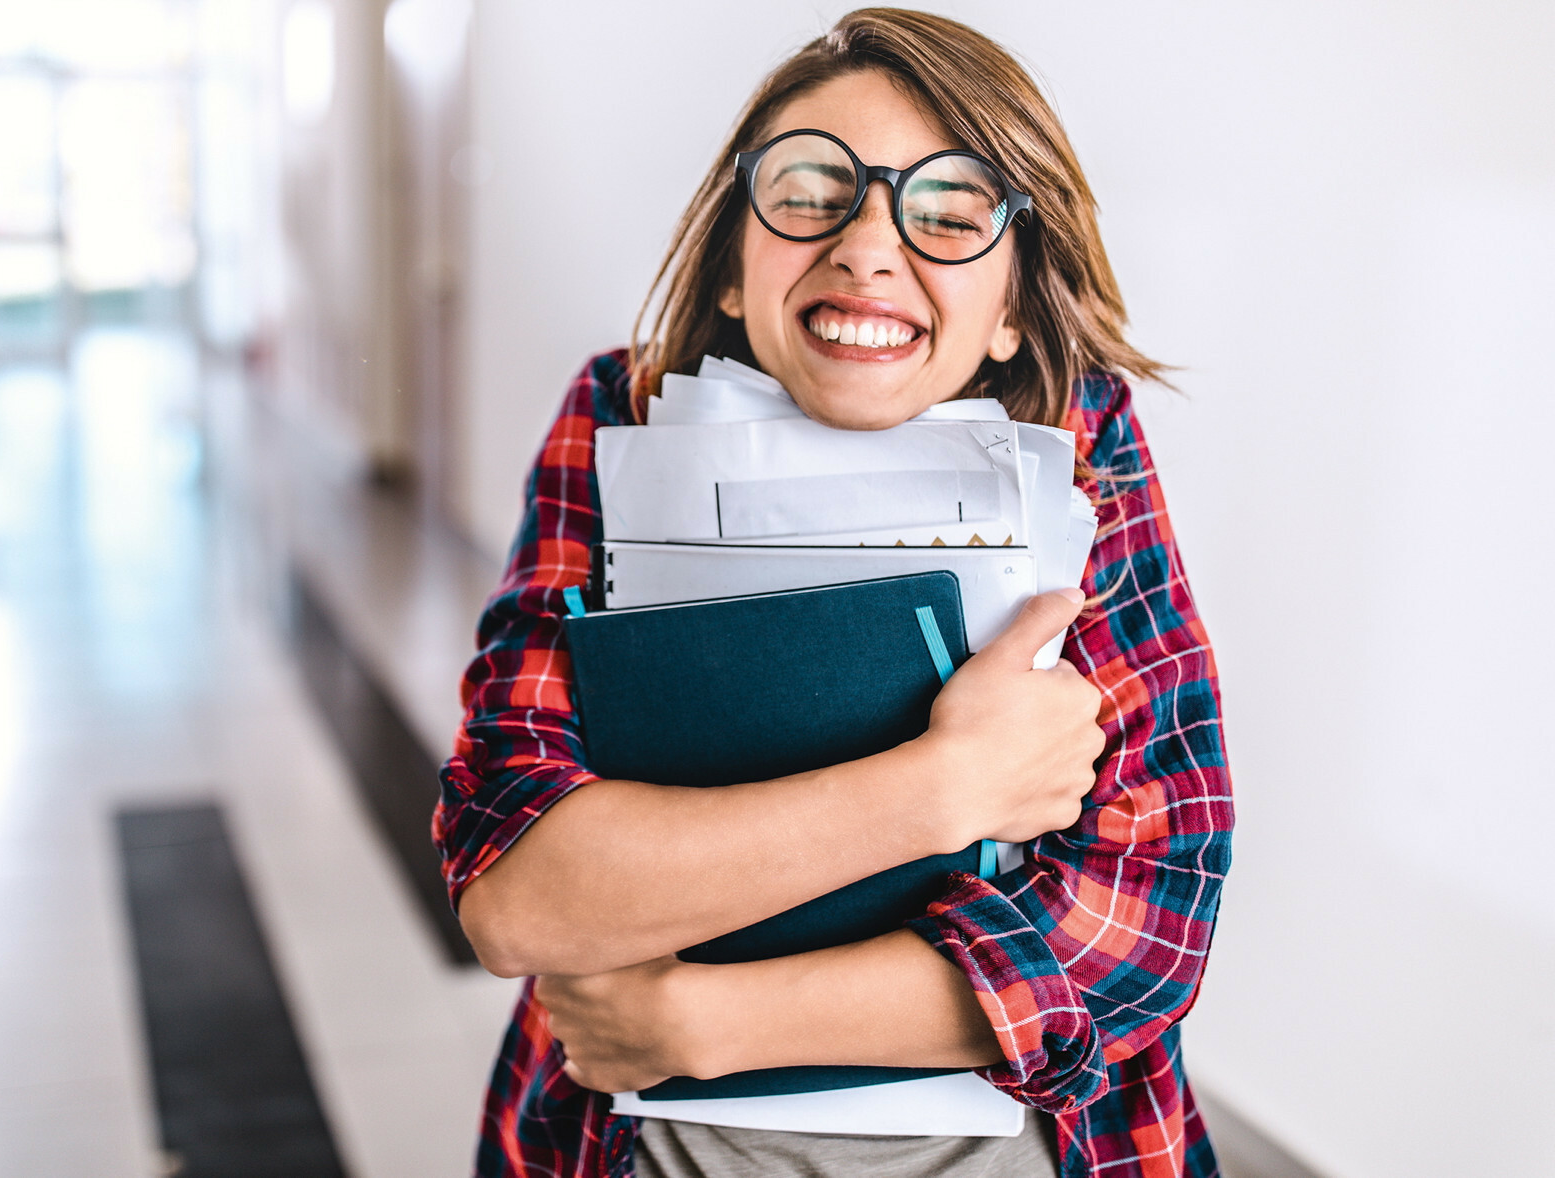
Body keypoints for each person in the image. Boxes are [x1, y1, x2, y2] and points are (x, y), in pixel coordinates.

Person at [434, 9, 1233, 1177]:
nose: (867, 248)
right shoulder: (622, 410)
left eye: (948, 214)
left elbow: (1142, 929)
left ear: (1011, 304)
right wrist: (945, 784)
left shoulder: (1085, 438)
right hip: (642, 1144)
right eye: (812, 192)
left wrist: (704, 1022)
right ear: (729, 264)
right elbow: (516, 894)